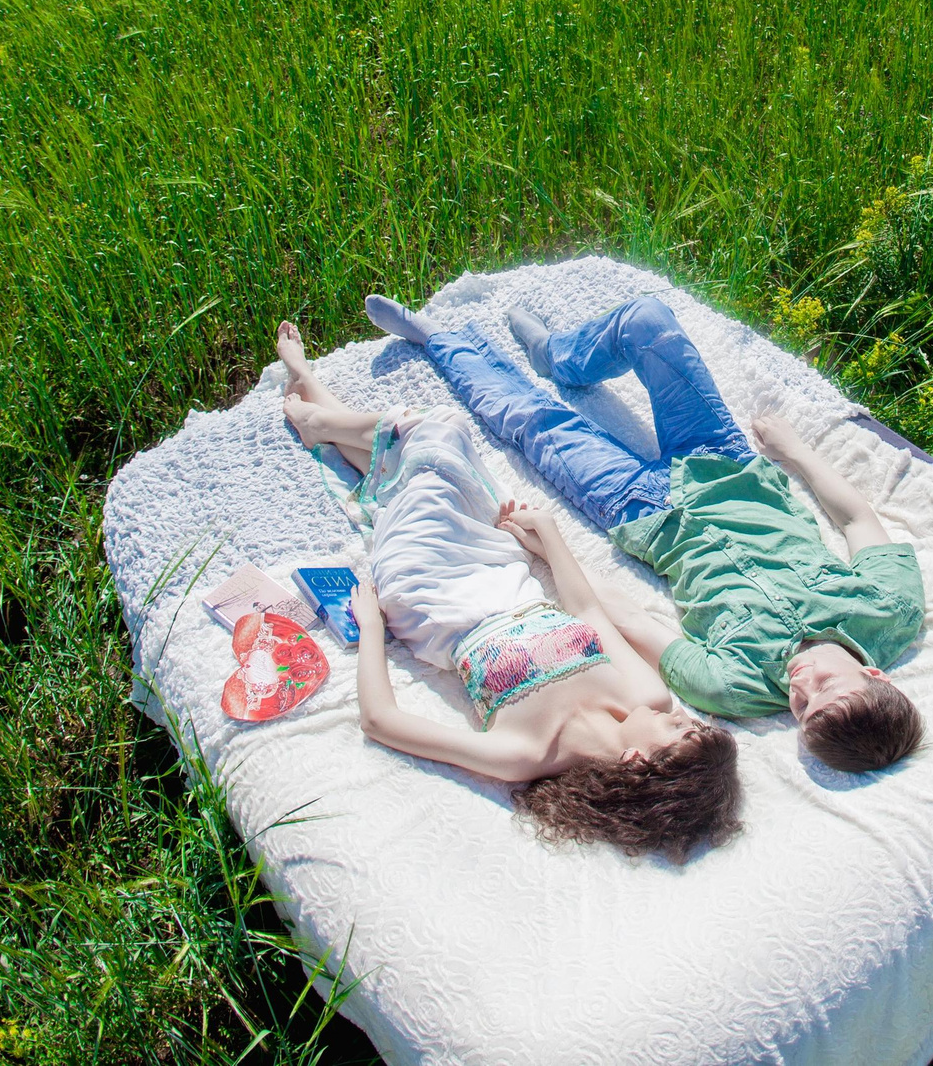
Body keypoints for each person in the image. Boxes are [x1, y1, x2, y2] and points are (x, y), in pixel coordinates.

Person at [362, 292, 926, 773]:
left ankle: (439, 340)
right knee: (648, 322)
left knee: (529, 420)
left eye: (802, 709)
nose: (800, 687)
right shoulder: (889, 609)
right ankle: (561, 354)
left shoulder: (730, 688)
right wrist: (794, 451)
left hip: (640, 511)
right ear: (873, 674)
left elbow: (624, 621)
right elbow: (856, 520)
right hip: (724, 463)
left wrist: (545, 552)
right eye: (825, 687)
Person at [272, 321, 741, 860]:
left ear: (637, 761)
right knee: (423, 468)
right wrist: (550, 538)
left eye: (681, 733)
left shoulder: (526, 754)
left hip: (433, 596)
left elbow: (382, 722)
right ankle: (314, 400)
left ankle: (314, 407)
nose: (683, 715)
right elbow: (587, 610)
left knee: (440, 436)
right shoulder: (646, 697)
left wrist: (373, 628)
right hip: (505, 575)